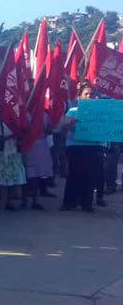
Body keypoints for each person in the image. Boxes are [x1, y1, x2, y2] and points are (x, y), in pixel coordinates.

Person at [61, 83, 104, 212]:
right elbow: (63, 132)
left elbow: (106, 130)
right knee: (74, 175)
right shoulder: (73, 111)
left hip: (94, 146)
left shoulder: (101, 113)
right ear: (80, 97)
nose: (89, 96)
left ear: (96, 96)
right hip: (75, 146)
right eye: (86, 94)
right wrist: (69, 124)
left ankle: (87, 204)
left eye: (92, 94)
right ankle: (69, 203)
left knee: (90, 176)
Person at [22, 115, 54, 211]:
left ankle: (35, 201)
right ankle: (24, 201)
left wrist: (48, 127)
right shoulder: (24, 113)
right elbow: (22, 130)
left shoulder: (44, 115)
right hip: (27, 145)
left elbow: (49, 131)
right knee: (26, 175)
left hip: (40, 147)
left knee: (38, 174)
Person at [0, 119, 26, 211]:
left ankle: (10, 202)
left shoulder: (16, 121)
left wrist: (18, 136)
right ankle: (1, 202)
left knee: (13, 179)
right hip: (3, 153)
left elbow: (21, 137)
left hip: (14, 153)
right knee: (3, 179)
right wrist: (8, 137)